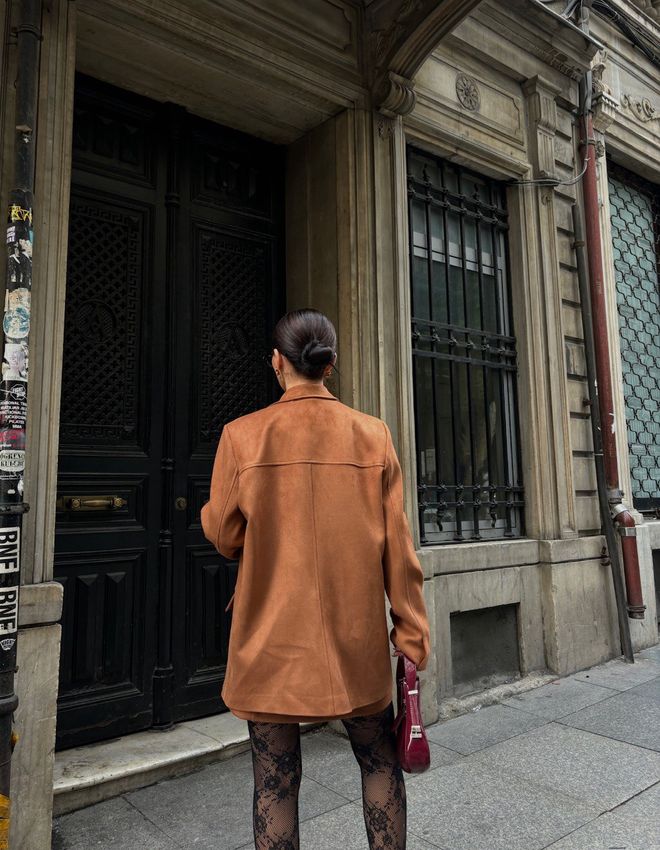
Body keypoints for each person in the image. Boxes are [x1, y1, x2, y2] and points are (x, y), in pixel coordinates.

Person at [202, 308, 430, 850]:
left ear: (277, 362)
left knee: (274, 780)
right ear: (330, 365)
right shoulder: (373, 436)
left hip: (270, 639)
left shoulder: (242, 436)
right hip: (355, 640)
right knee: (377, 761)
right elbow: (400, 552)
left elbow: (225, 534)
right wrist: (411, 635)